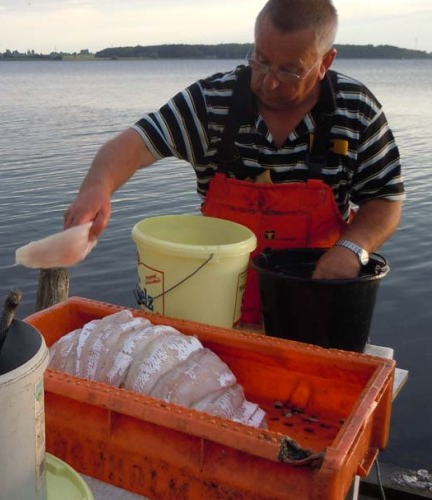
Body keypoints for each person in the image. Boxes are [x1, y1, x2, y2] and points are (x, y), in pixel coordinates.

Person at [63, 0, 405, 325]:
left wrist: (352, 249)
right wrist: (97, 186)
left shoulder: (356, 109)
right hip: (215, 301)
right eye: (261, 60)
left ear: (325, 63)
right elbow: (134, 145)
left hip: (316, 301)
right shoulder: (213, 101)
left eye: (290, 70)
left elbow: (386, 198)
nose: (269, 81)